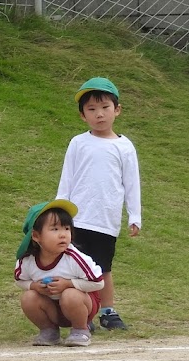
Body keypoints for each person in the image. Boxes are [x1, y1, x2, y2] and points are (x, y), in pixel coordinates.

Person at [56, 77, 141, 331]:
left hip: (106, 220)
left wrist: (134, 215)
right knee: (75, 267)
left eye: (104, 107)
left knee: (103, 268)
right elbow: (67, 177)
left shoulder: (124, 147)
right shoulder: (78, 143)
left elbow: (131, 183)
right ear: (83, 116)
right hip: (77, 219)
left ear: (117, 110)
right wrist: (60, 211)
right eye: (91, 110)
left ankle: (107, 311)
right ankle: (84, 314)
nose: (99, 114)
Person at [14, 199, 105, 348]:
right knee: (28, 297)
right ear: (36, 236)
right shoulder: (27, 260)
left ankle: (81, 329)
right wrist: (34, 286)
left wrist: (68, 284)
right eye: (55, 229)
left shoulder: (74, 258)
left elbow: (98, 282)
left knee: (70, 294)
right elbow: (19, 280)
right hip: (52, 308)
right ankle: (49, 331)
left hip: (80, 305)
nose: (63, 235)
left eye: (67, 228)